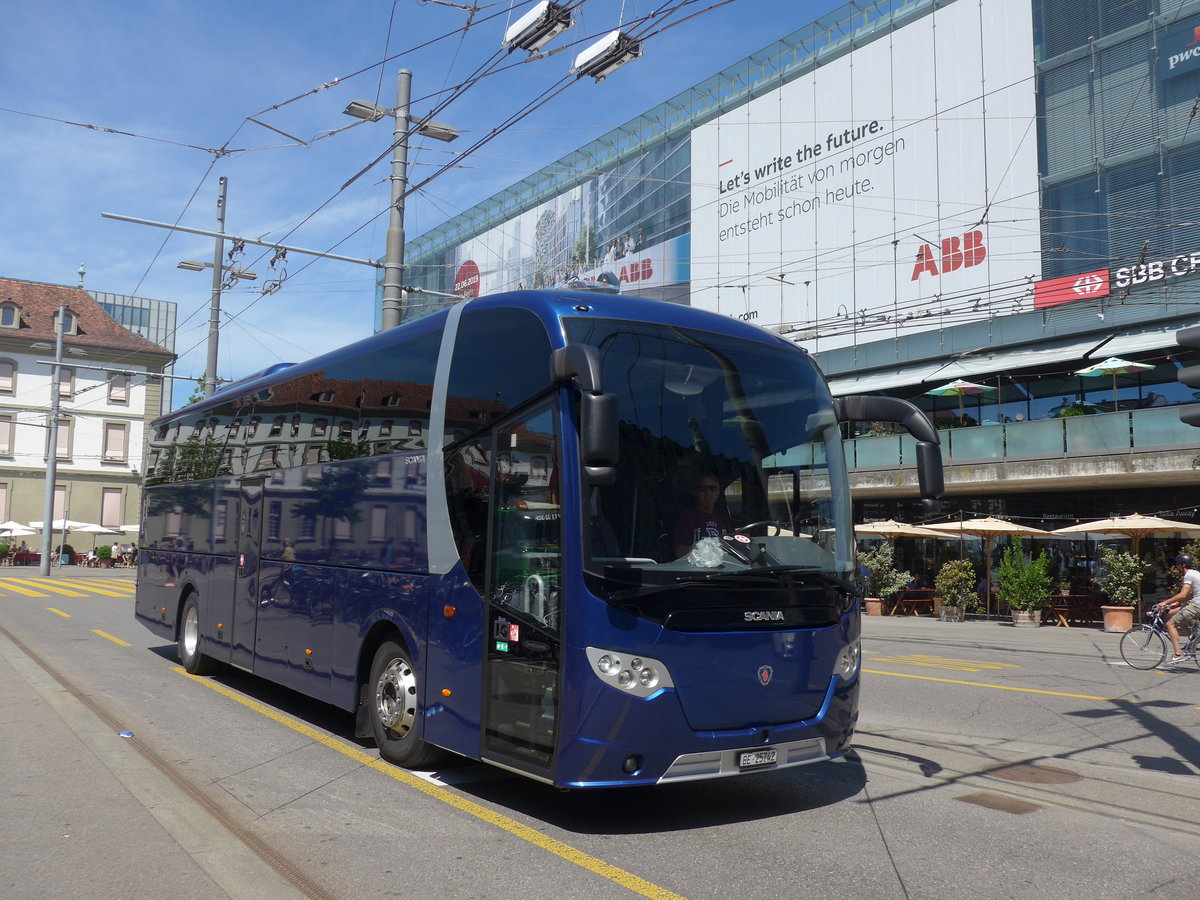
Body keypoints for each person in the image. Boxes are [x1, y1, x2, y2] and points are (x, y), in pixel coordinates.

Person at [673, 473, 733, 558]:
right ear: (695, 492)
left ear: (718, 493)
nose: (708, 492)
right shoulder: (686, 517)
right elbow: (681, 552)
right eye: (702, 489)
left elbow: (733, 546)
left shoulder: (723, 518)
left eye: (712, 488)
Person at [1154, 553, 1200, 664]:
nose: (1177, 567)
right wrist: (1176, 603)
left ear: (1183, 565)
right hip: (1196, 603)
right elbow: (1189, 595)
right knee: (1174, 614)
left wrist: (1164, 602)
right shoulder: (1196, 573)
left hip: (1197, 604)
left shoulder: (1188, 575)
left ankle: (1177, 654)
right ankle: (1193, 639)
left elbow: (1183, 594)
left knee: (1170, 624)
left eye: (1178, 565)